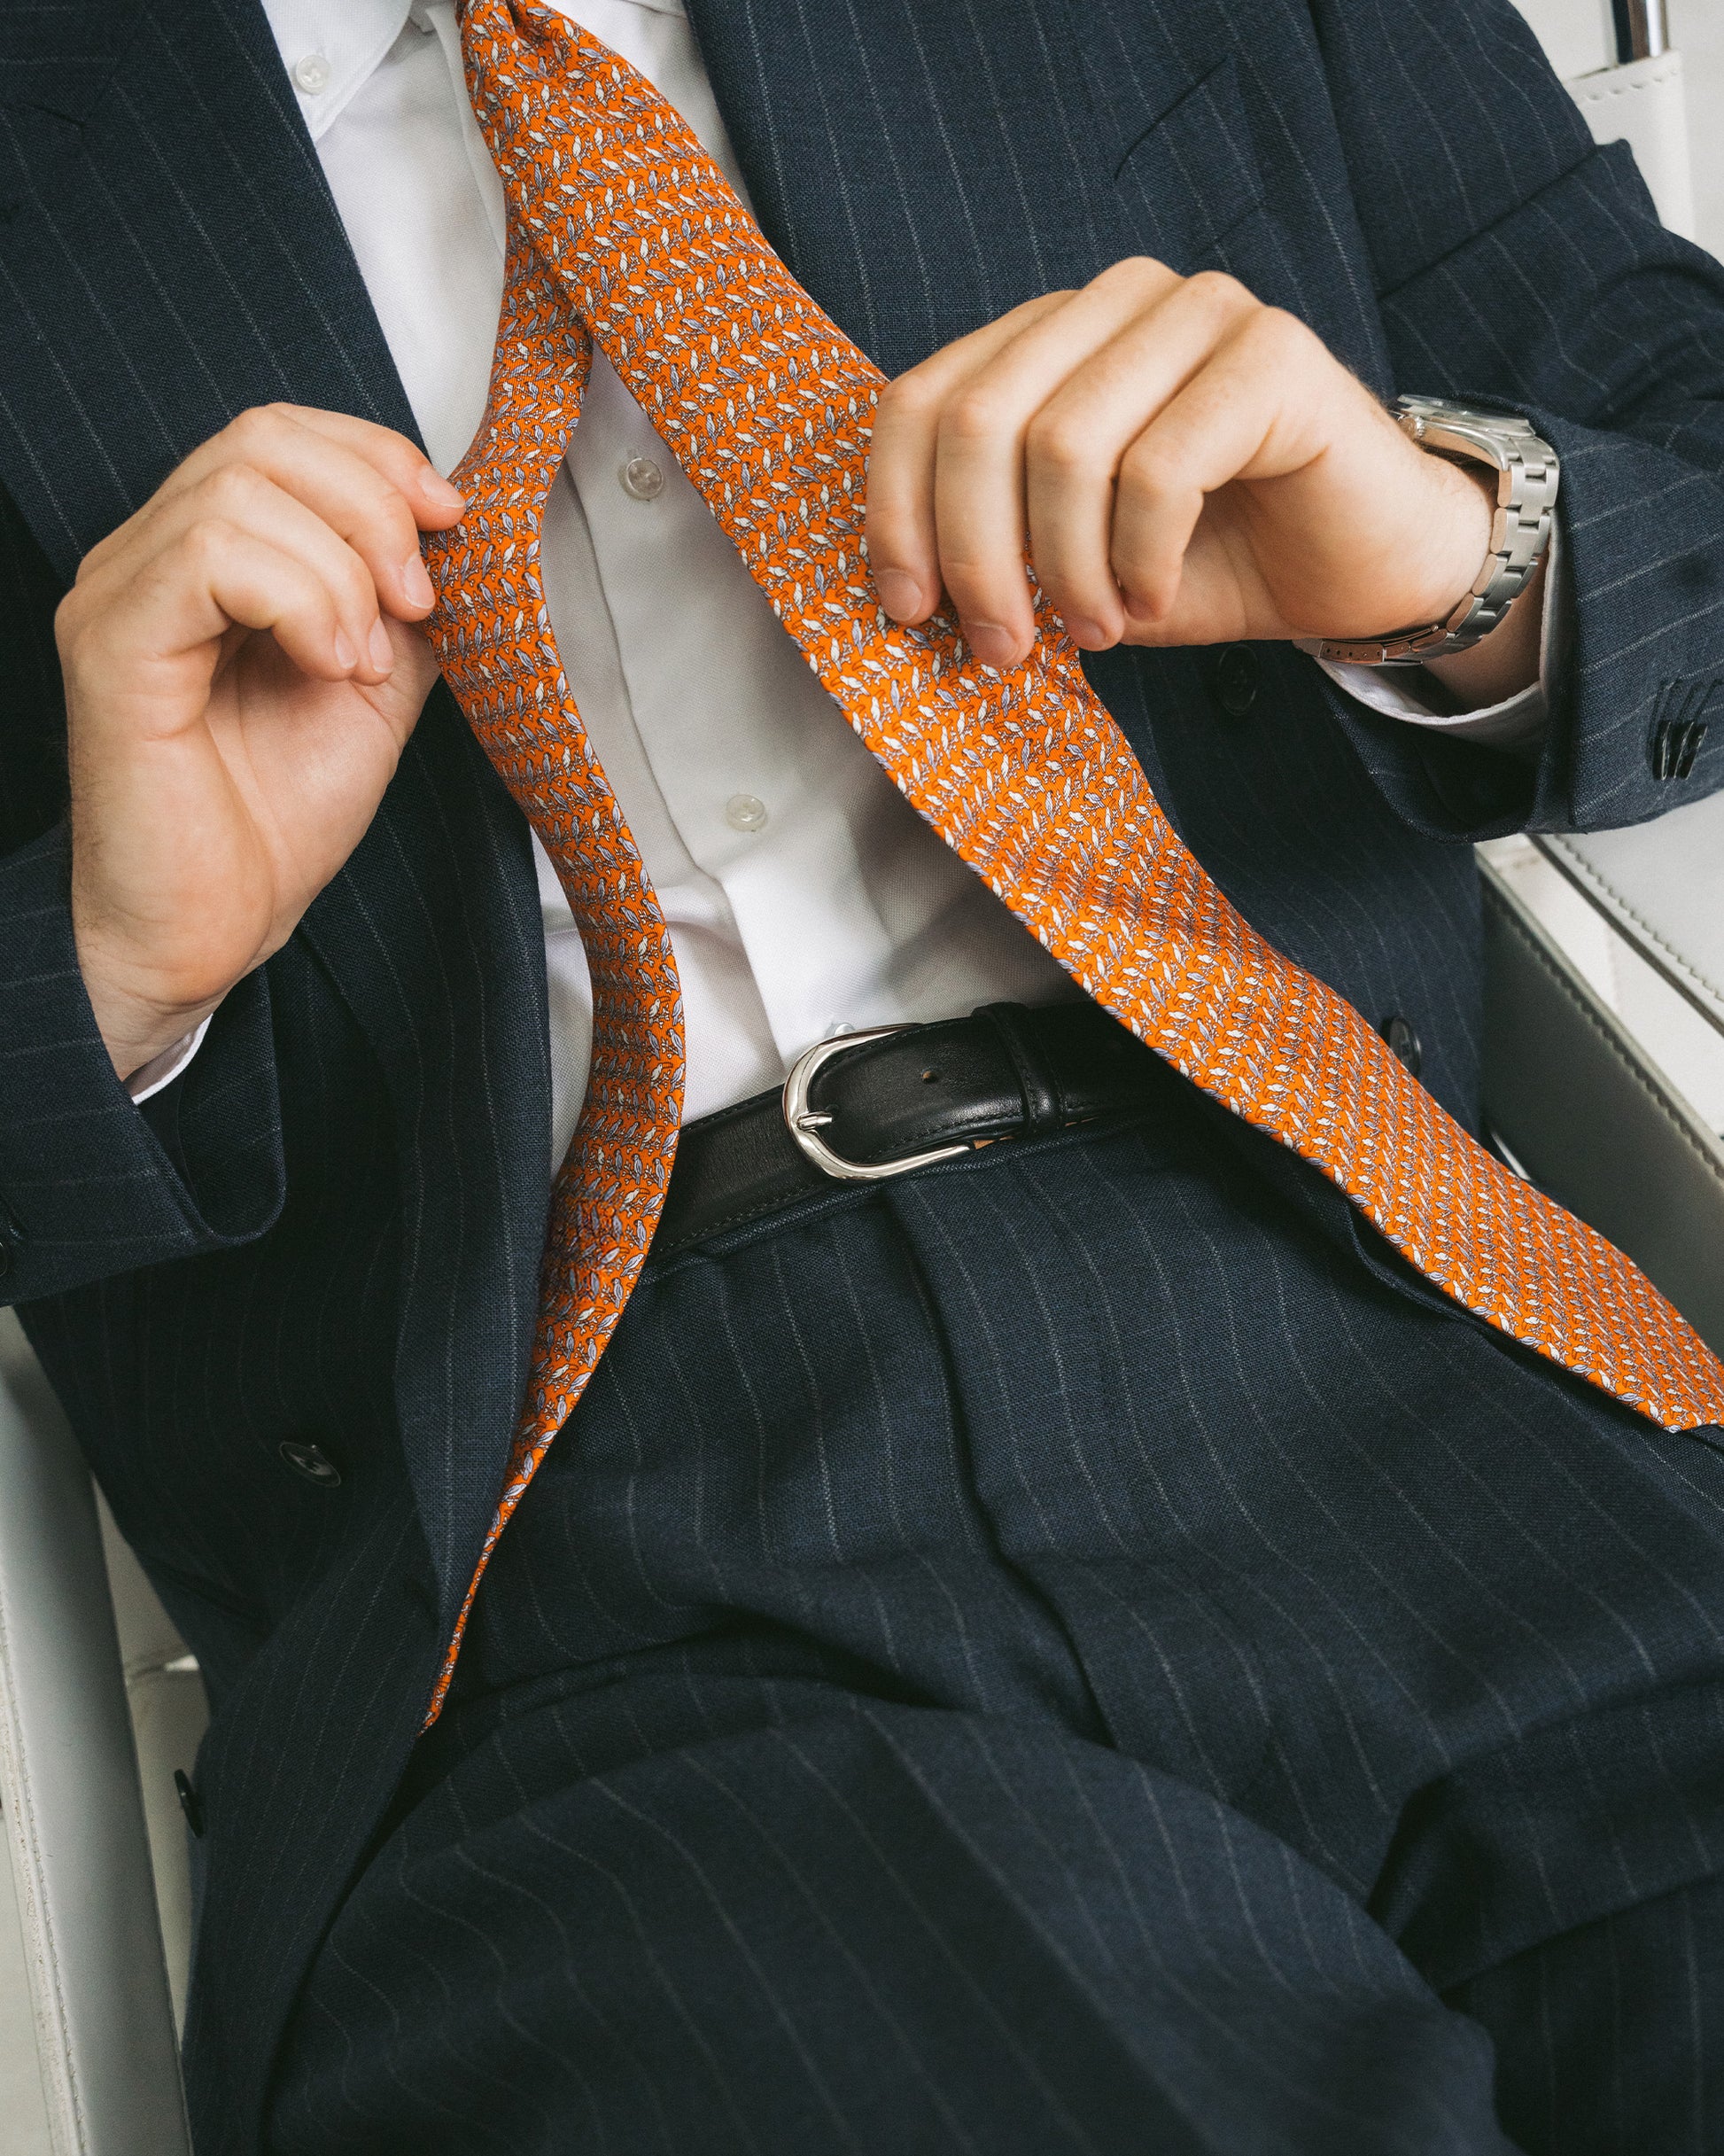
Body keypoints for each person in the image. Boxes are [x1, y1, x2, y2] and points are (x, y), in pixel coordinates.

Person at [2, 0, 1722, 2147]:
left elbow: (1683, 432)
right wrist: (102, 961)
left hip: (1408, 1347)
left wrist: (1452, 545)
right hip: (571, 1578)